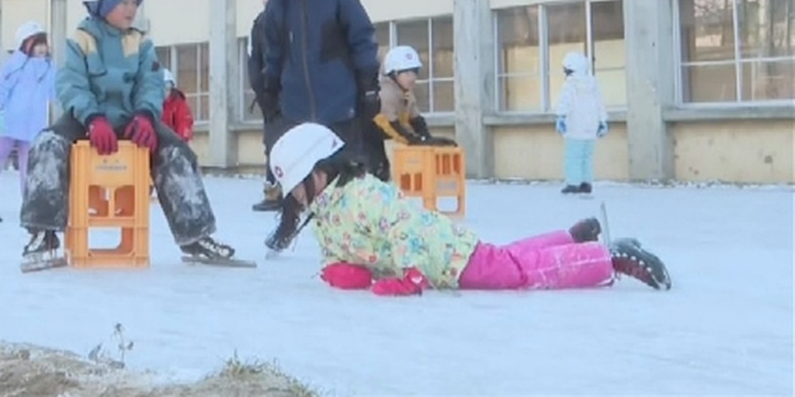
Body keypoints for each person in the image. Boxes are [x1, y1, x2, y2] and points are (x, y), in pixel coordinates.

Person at [265, 123, 671, 293]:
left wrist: (410, 275)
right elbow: (338, 254)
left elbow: (401, 226)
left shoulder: (362, 195)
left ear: (320, 170)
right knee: (506, 255)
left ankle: (608, 259)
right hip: (446, 253)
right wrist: (341, 273)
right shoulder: (326, 213)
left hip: (442, 258)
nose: (296, 198)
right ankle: (571, 238)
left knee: (518, 275)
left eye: (297, 187)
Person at [19, 0, 238, 269]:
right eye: (124, 1)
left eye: (135, 1)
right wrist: (92, 118)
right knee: (46, 145)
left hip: (131, 119)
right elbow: (71, 85)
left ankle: (195, 234)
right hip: (88, 120)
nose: (132, 8)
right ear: (100, 2)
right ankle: (43, 232)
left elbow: (150, 82)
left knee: (176, 151)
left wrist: (147, 115)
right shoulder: (81, 40)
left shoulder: (140, 42)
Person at [259, 0, 384, 178]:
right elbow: (274, 51)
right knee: (303, 183)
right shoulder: (279, 4)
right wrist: (269, 88)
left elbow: (363, 43)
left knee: (342, 181)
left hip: (339, 112)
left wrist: (369, 89)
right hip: (296, 115)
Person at [0, 20, 56, 204]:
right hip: (7, 121)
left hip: (33, 125)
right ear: (25, 45)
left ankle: (30, 201)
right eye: (35, 44)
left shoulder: (49, 68)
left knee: (31, 165)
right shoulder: (15, 64)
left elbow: (56, 91)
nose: (41, 48)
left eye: (43, 43)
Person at [248, 0, 285, 211]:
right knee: (274, 143)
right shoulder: (261, 24)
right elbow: (254, 64)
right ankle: (275, 191)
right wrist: (264, 95)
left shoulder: (288, 20)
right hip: (274, 95)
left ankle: (291, 192)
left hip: (289, 94)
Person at [374, 45, 456, 146]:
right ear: (394, 73)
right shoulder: (385, 94)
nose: (412, 78)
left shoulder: (405, 92)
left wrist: (427, 138)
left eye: (415, 72)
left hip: (386, 141)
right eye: (407, 73)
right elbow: (391, 125)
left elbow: (415, 118)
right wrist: (415, 140)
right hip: (368, 141)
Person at [555, 52, 608, 195]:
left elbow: (565, 103)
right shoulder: (593, 84)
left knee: (573, 156)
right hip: (591, 128)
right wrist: (603, 121)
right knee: (587, 157)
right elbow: (600, 104)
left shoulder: (570, 85)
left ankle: (573, 183)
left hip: (574, 127)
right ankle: (586, 183)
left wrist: (560, 117)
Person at [160, 68, 194, 142]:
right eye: (161, 88)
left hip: (173, 143)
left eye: (167, 88)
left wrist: (180, 140)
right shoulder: (151, 104)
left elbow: (184, 122)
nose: (165, 92)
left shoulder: (178, 103)